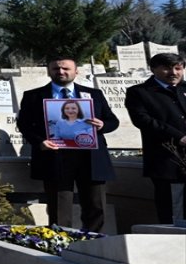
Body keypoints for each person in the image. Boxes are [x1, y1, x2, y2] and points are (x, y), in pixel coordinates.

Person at [17, 57, 119, 232]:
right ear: (49, 71)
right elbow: (24, 125)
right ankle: (61, 242)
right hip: (55, 157)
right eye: (56, 69)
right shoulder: (33, 96)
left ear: (76, 71)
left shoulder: (94, 94)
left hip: (90, 158)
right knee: (59, 206)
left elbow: (112, 121)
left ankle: (92, 241)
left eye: (66, 68)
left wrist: (102, 125)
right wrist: (40, 142)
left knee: (95, 205)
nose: (61, 72)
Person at [125, 52, 186, 223]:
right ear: (153, 69)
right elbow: (144, 120)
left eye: (178, 68)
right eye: (166, 69)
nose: (173, 72)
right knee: (173, 212)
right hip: (167, 161)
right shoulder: (140, 93)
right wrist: (179, 137)